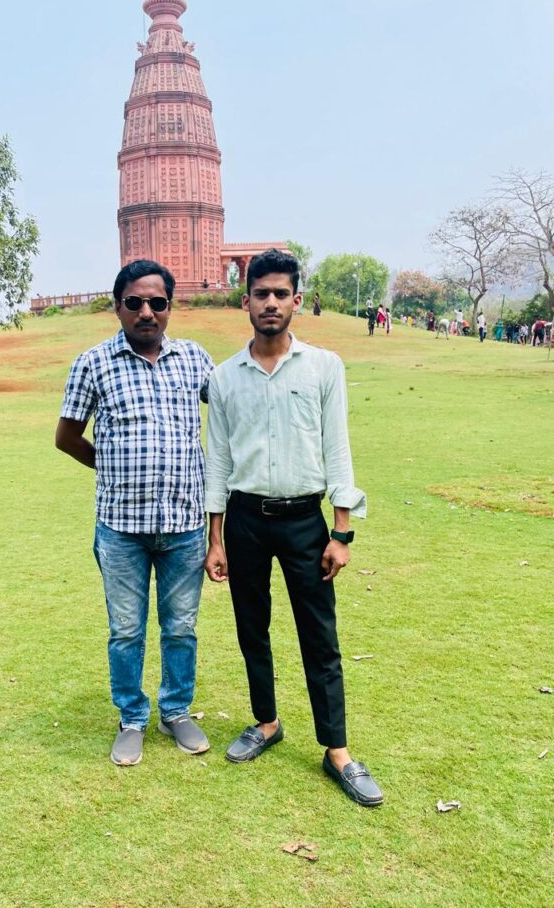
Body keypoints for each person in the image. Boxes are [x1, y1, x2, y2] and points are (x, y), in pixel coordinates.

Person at [203, 249, 382, 807]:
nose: (272, 303)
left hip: (307, 521)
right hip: (247, 521)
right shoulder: (224, 378)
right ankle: (266, 722)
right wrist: (216, 538)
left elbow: (338, 450)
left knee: (319, 637)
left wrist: (342, 531)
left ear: (297, 301)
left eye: (282, 294)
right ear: (246, 301)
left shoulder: (324, 366)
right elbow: (218, 462)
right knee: (252, 629)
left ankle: (338, 752)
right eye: (262, 294)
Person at [56, 260, 213, 766]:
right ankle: (131, 717)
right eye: (135, 303)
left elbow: (233, 416)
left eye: (157, 303)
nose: (147, 312)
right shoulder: (94, 363)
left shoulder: (194, 360)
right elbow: (67, 437)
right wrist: (113, 468)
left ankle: (176, 709)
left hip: (185, 526)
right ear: (117, 305)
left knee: (181, 627)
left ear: (171, 305)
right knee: (126, 629)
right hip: (122, 529)